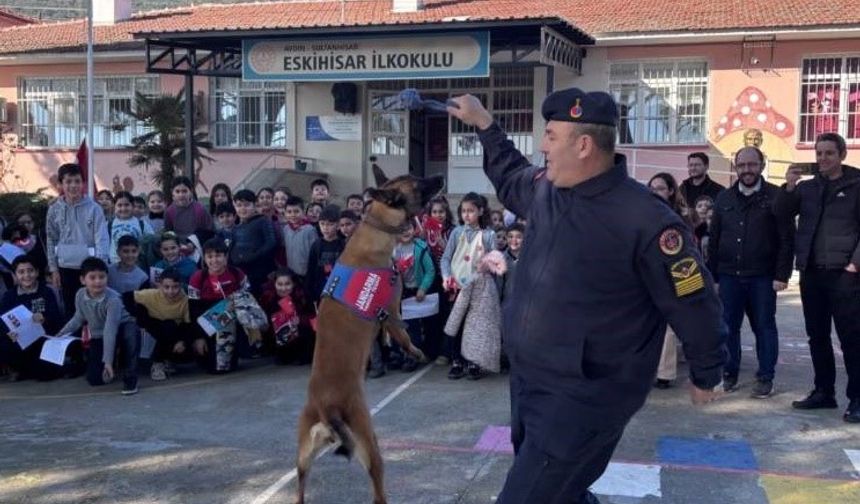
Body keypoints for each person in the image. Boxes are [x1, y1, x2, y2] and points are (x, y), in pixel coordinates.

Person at [447, 88, 724, 504]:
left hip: (587, 390)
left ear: (583, 145)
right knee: (560, 489)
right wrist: (485, 124)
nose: (542, 146)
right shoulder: (547, 189)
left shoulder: (646, 219)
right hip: (532, 376)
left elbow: (693, 300)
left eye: (551, 136)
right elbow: (508, 173)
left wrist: (706, 371)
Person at [774, 132, 860, 423]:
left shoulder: (857, 184)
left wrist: (855, 265)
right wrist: (788, 187)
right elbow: (781, 214)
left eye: (829, 153)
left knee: (851, 338)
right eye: (819, 153)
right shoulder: (807, 188)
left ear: (842, 155)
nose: (822, 158)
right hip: (812, 271)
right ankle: (824, 392)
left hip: (845, 274)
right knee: (817, 336)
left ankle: (857, 399)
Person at [708, 146, 794, 398]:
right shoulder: (724, 198)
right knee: (728, 328)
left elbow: (786, 239)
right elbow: (714, 240)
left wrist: (782, 275)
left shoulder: (777, 196)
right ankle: (729, 373)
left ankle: (766, 377)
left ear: (762, 165)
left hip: (763, 277)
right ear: (736, 167)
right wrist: (713, 276)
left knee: (764, 327)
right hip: (729, 276)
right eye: (742, 165)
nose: (747, 170)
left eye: (752, 165)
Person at [55, 257, 140, 394]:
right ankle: (111, 363)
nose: (98, 281)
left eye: (102, 277)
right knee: (95, 379)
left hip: (119, 329)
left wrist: (107, 362)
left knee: (131, 333)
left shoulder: (113, 299)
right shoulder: (80, 295)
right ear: (83, 280)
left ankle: (130, 377)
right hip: (99, 335)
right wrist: (61, 333)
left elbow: (110, 330)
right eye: (92, 277)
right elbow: (78, 318)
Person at [439, 192, 496, 380]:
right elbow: (446, 258)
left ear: (480, 211)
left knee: (475, 326)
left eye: (471, 211)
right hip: (457, 288)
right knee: (457, 323)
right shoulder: (456, 233)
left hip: (480, 289)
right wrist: (447, 276)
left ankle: (474, 361)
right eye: (463, 211)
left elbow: (494, 262)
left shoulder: (489, 235)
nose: (466, 215)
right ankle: (457, 361)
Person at [45, 163, 110, 318]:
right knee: (71, 310)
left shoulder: (94, 209)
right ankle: (73, 341)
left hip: (89, 269)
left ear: (83, 183)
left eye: (77, 181)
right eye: (68, 182)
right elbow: (51, 238)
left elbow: (101, 238)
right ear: (60, 184)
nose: (73, 186)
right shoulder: (54, 209)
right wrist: (53, 269)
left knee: (92, 311)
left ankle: (93, 340)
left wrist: (100, 267)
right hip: (65, 268)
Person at [647, 172, 690, 389]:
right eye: (652, 188)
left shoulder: (678, 219)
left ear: (671, 191)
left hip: (673, 276)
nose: (655, 192)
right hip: (646, 276)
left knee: (668, 328)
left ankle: (665, 374)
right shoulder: (642, 215)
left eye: (661, 188)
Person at [0, 255, 73, 381]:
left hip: (44, 338)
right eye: (21, 272)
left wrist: (44, 319)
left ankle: (30, 370)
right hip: (20, 341)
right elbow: (3, 321)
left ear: (37, 272)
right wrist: (9, 333)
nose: (27, 275)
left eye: (30, 271)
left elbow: (57, 318)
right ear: (15, 275)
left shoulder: (47, 291)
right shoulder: (9, 296)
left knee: (43, 374)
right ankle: (17, 368)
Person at [130, 268, 200, 381]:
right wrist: (134, 316)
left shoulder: (185, 300)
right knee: (165, 325)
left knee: (183, 345)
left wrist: (183, 341)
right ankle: (157, 363)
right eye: (166, 287)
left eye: (175, 287)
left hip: (172, 330)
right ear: (160, 285)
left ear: (181, 285)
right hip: (153, 326)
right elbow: (127, 297)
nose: (171, 291)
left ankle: (167, 360)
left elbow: (188, 325)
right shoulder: (150, 295)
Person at [391, 219, 436, 372]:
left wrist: (423, 288)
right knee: (398, 325)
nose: (405, 232)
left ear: (414, 229)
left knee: (413, 327)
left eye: (408, 228)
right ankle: (398, 354)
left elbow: (430, 271)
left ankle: (412, 356)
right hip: (397, 293)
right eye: (401, 228)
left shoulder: (420, 248)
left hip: (414, 292)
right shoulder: (392, 250)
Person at [230, 189, 276, 295]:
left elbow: (271, 243)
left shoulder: (262, 221)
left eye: (246, 205)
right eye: (239, 205)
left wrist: (254, 256)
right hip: (241, 273)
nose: (242, 209)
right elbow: (233, 247)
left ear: (255, 205)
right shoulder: (236, 228)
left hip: (260, 272)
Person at [306, 205, 345, 304]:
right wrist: (309, 291)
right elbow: (311, 269)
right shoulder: (316, 245)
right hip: (320, 288)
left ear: (338, 225)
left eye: (330, 224)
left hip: (339, 288)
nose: (325, 228)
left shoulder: (343, 245)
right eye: (322, 224)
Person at [109, 191, 154, 264]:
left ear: (132, 206)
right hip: (115, 264)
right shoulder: (109, 225)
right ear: (114, 207)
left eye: (127, 205)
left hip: (136, 264)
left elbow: (151, 239)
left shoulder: (141, 224)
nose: (123, 208)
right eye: (119, 205)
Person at [282, 196, 318, 280]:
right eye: (289, 212)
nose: (293, 215)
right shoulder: (286, 228)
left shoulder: (310, 229)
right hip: (291, 271)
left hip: (306, 272)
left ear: (303, 212)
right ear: (285, 213)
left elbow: (315, 252)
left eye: (296, 211)